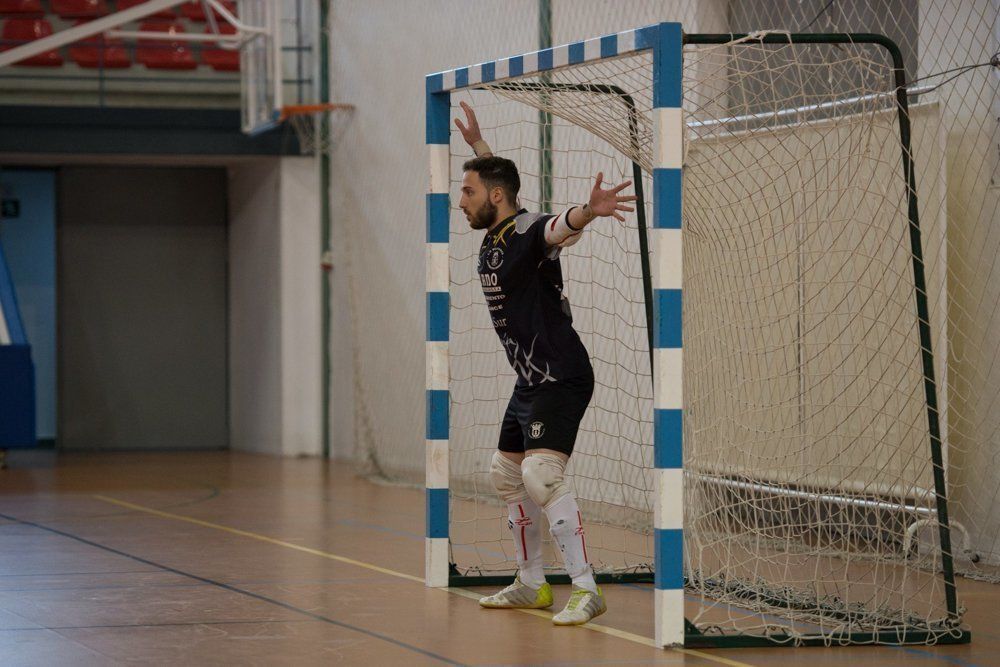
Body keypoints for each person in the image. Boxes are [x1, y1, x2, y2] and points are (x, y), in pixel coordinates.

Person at [454, 101, 636, 626]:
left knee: (540, 473)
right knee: (505, 473)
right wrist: (480, 151)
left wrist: (588, 210)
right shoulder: (498, 231)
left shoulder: (533, 232)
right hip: (529, 379)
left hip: (560, 374)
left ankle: (585, 588)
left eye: (467, 192)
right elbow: (507, 198)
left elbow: (557, 226)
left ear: (493, 197)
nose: (460, 201)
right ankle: (532, 583)